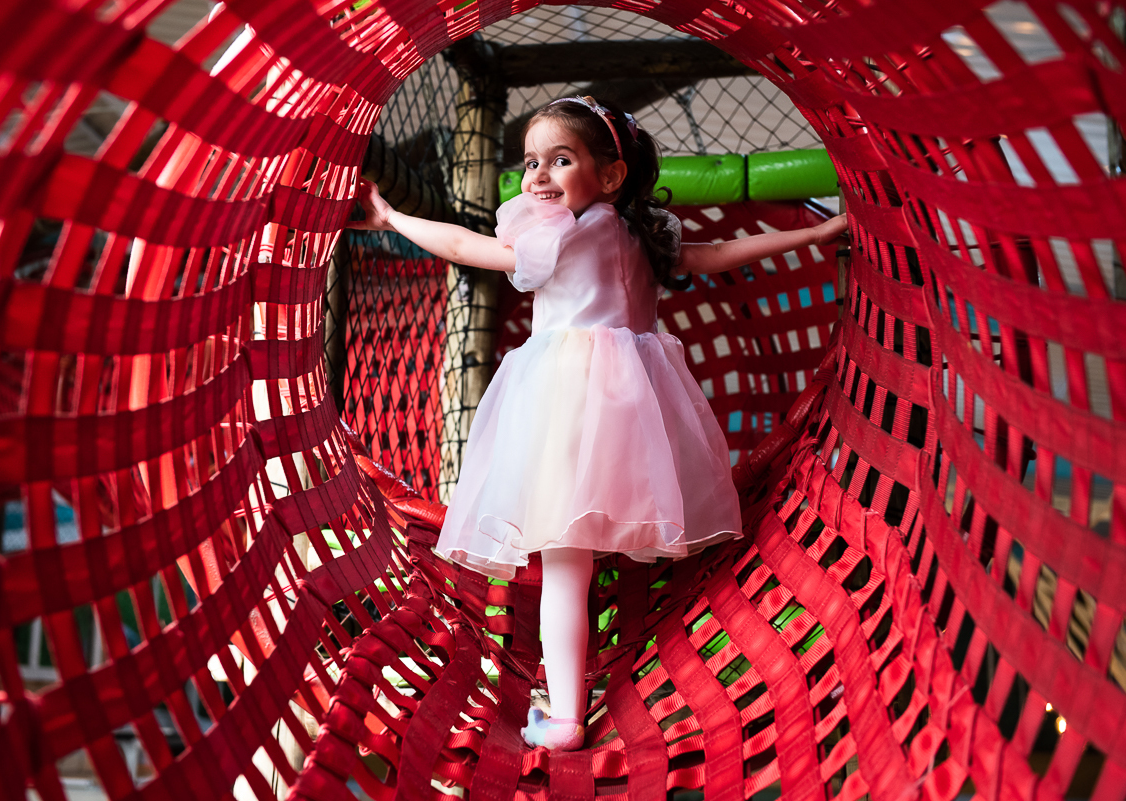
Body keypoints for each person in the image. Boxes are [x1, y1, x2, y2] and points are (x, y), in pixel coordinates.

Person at [350, 96, 848, 751]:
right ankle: (576, 687)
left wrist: (391, 216)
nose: (539, 176)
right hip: (634, 405)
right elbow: (717, 252)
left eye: (560, 160)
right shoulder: (645, 229)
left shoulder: (555, 230)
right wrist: (814, 235)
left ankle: (564, 712)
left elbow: (467, 245)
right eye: (531, 162)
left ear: (610, 175)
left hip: (563, 400)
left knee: (566, 560)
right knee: (586, 554)